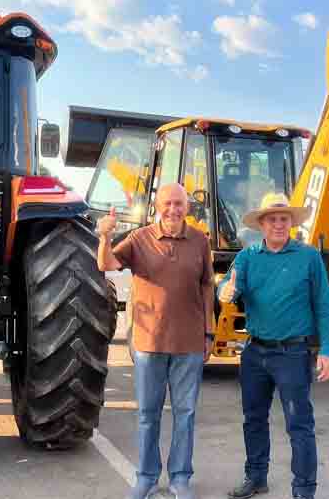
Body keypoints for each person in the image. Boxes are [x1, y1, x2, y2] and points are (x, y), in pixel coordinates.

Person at [97, 183, 215, 499]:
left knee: (185, 414)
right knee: (148, 414)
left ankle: (180, 478)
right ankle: (146, 477)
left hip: (189, 344)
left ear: (187, 207)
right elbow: (106, 264)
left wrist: (209, 332)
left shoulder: (200, 241)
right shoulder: (139, 239)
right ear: (156, 207)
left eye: (179, 203)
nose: (173, 209)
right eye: (167, 204)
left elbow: (207, 287)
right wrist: (105, 236)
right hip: (148, 344)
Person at [218, 192, 329, 499]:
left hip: (293, 354)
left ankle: (303, 491)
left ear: (291, 222)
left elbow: (325, 304)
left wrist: (326, 350)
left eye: (284, 219)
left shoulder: (308, 257)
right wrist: (225, 291)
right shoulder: (247, 257)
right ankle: (256, 477)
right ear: (262, 224)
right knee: (253, 419)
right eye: (272, 219)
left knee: (299, 425)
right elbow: (227, 286)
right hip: (255, 352)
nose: (279, 224)